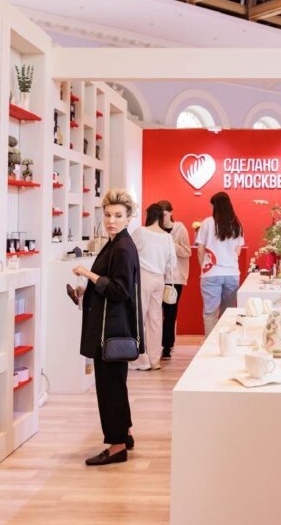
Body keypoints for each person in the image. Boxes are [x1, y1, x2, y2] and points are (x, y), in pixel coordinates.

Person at [72, 189, 143, 466]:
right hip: (111, 325)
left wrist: (88, 274)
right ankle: (125, 434)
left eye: (118, 216)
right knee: (115, 384)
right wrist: (86, 291)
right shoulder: (116, 243)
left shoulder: (122, 247)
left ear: (129, 218)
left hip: (111, 330)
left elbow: (119, 290)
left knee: (109, 387)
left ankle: (116, 447)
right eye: (108, 215)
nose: (111, 221)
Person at [130, 203, 176, 370]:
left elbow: (129, 253)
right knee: (155, 320)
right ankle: (155, 359)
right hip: (159, 279)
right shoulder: (167, 237)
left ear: (148, 214)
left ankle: (139, 359)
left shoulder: (141, 232)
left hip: (143, 276)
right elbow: (172, 264)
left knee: (138, 318)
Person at [196, 191, 244, 336]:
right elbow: (238, 252)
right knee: (228, 312)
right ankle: (226, 342)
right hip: (232, 273)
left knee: (210, 313)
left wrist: (204, 267)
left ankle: (210, 345)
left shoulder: (207, 223)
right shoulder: (236, 225)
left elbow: (200, 250)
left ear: (215, 206)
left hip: (211, 273)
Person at [157, 200, 191, 359]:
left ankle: (167, 346)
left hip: (175, 278)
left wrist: (171, 243)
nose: (162, 218)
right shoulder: (155, 230)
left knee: (170, 313)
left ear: (171, 212)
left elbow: (187, 252)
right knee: (155, 313)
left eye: (164, 214)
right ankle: (155, 345)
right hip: (158, 276)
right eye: (159, 215)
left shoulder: (180, 229)